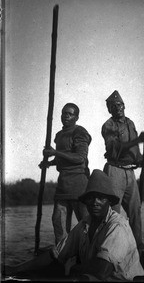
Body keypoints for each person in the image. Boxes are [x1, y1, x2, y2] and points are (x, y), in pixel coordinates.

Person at [4, 169, 144, 281]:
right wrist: (15, 269)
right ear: (85, 201)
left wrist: (72, 269)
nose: (95, 202)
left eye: (101, 198)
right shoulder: (85, 224)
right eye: (91, 197)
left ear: (109, 201)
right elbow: (55, 254)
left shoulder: (117, 226)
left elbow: (102, 271)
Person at [101, 90, 144, 254]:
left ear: (124, 106)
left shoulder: (130, 123)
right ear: (109, 109)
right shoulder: (108, 125)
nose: (117, 108)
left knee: (135, 209)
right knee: (114, 214)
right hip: (114, 171)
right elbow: (115, 148)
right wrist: (139, 140)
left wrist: (141, 159)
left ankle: (138, 247)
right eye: (113, 106)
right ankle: (113, 248)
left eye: (120, 104)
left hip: (130, 173)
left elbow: (134, 149)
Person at [39, 102, 92, 245]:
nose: (66, 116)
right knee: (59, 224)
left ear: (76, 117)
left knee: (86, 225)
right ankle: (62, 254)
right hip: (63, 185)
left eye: (70, 114)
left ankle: (86, 254)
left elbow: (80, 157)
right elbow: (62, 157)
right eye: (64, 113)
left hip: (79, 185)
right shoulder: (59, 135)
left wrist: (55, 152)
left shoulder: (80, 132)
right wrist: (49, 162)